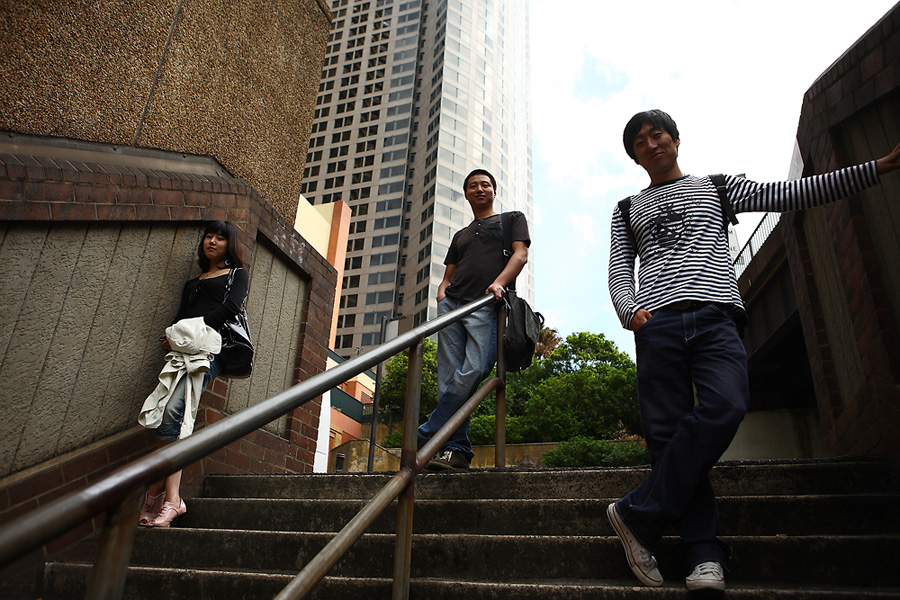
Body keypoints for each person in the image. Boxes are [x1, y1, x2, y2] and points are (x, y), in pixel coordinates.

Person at [606, 109, 900, 592]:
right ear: (635, 157)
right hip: (657, 325)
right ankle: (703, 555)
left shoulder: (718, 187)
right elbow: (620, 266)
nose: (651, 144)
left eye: (657, 134)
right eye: (640, 142)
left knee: (726, 405)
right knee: (669, 439)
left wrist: (873, 169)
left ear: (676, 140)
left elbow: (788, 193)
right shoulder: (626, 207)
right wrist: (630, 310)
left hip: (715, 315)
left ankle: (637, 513)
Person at [137, 221, 249, 527]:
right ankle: (164, 497)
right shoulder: (193, 281)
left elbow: (231, 307)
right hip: (181, 352)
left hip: (209, 351)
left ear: (230, 245)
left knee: (175, 411)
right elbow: (180, 316)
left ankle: (165, 496)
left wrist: (192, 328)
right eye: (208, 236)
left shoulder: (237, 274)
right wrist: (170, 335)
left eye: (220, 238)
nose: (212, 241)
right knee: (168, 417)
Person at [417, 169, 530, 470]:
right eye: (473, 186)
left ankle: (425, 434)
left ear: (494, 191)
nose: (479, 189)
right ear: (466, 194)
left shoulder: (511, 219)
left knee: (476, 368)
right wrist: (442, 293)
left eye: (485, 185)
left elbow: (520, 255)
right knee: (448, 379)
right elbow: (449, 274)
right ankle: (456, 451)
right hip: (452, 306)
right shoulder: (461, 235)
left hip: (485, 303)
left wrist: (499, 283)